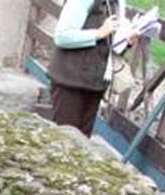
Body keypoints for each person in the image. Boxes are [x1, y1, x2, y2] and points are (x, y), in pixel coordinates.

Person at [48, 0, 124, 136]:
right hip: (70, 81)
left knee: (82, 144)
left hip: (94, 84)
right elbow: (62, 36)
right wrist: (99, 33)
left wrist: (127, 41)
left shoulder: (117, 3)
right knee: (63, 141)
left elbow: (109, 44)